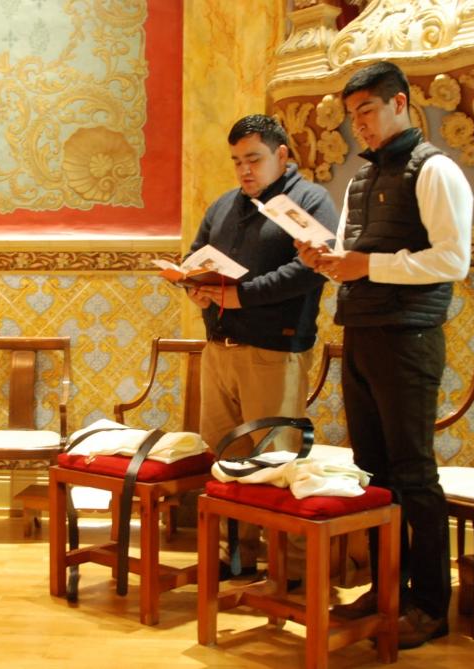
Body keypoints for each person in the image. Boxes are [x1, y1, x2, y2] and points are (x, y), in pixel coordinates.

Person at [296, 61, 472, 648]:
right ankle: (387, 587)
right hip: (362, 334)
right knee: (372, 472)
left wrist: (365, 264)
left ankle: (430, 605)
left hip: (409, 339)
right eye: (353, 117)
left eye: (367, 111)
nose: (359, 126)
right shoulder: (360, 179)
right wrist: (324, 258)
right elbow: (353, 256)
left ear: (400, 103)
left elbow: (453, 260)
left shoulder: (436, 169)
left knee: (414, 473)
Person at [187, 114, 338, 583]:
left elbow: (309, 269)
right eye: (237, 161)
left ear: (282, 155)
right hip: (219, 348)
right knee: (227, 458)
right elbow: (195, 252)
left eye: (253, 159)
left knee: (275, 460)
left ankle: (291, 570)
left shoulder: (309, 200)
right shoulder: (224, 204)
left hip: (274, 350)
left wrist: (242, 296)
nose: (244, 170)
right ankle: (236, 556)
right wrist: (194, 285)